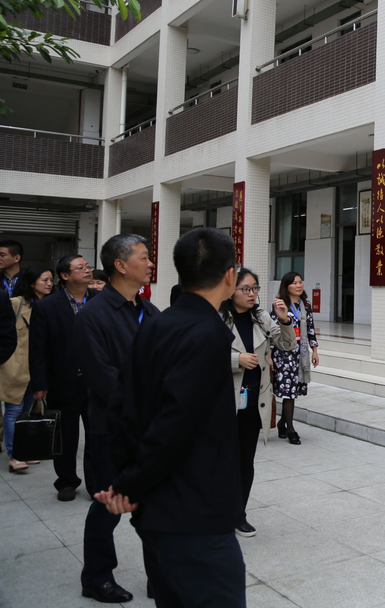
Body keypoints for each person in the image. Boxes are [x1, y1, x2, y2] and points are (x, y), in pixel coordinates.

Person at [98, 228, 245, 608]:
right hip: (194, 515)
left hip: (158, 512)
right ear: (229, 276)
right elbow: (174, 427)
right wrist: (128, 485)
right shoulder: (207, 334)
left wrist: (127, 479)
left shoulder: (157, 323)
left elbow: (121, 409)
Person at [73, 235, 160, 604]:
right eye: (144, 257)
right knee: (108, 504)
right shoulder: (93, 316)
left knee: (155, 505)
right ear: (121, 266)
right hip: (113, 429)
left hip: (151, 429)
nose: (151, 263)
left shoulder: (150, 312)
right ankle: (96, 577)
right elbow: (102, 377)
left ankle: (160, 575)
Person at [220, 268, 294, 538]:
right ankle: (218, 512)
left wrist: (285, 320)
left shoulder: (261, 317)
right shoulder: (218, 317)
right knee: (222, 461)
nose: (251, 294)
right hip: (224, 402)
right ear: (231, 290)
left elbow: (287, 345)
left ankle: (239, 514)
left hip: (253, 401)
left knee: (245, 461)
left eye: (255, 289)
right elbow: (202, 354)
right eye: (245, 289)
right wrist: (235, 360)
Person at [28, 255, 97, 500]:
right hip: (63, 380)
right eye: (80, 268)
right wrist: (39, 384)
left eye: (87, 266)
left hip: (96, 381)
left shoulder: (100, 300)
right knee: (66, 436)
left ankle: (97, 482)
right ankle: (67, 481)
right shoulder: (47, 306)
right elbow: (37, 348)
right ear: (64, 276)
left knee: (98, 435)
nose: (87, 270)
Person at [1, 266, 51, 471]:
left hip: (37, 367)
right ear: (31, 283)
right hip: (15, 366)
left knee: (29, 411)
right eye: (44, 280)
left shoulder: (50, 306)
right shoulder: (16, 303)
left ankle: (26, 451)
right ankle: (14, 455)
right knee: (14, 409)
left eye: (51, 280)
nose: (49, 284)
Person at [270, 272, 318, 445]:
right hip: (284, 353)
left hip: (301, 352)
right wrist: (269, 356)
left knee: (294, 390)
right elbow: (271, 332)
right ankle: (290, 429)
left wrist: (314, 351)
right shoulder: (279, 304)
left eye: (300, 282)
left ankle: (282, 423)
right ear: (286, 286)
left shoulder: (305, 305)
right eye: (294, 283)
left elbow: (311, 329)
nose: (298, 285)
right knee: (289, 392)